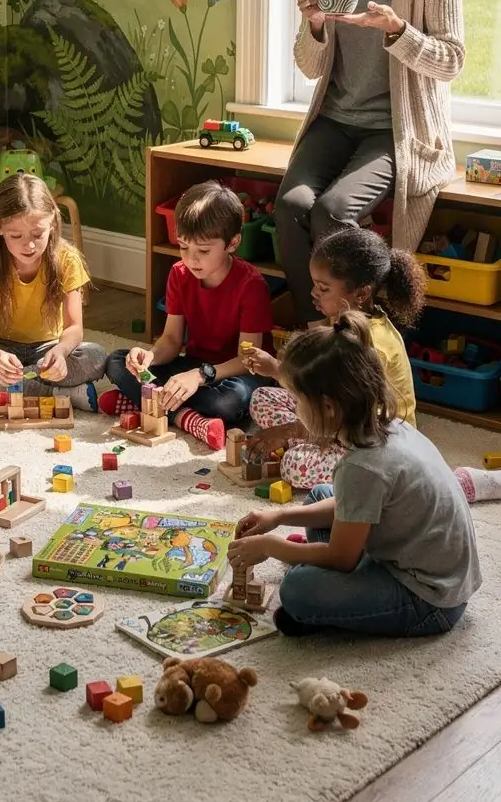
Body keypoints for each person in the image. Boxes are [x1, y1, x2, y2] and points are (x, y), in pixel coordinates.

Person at [275, 0, 464, 329]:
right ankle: (309, 330)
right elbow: (310, 67)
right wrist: (315, 23)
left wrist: (398, 32)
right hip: (335, 120)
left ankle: (359, 332)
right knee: (293, 205)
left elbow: (452, 60)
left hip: (395, 130)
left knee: (334, 213)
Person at [228, 313, 481, 638]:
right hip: (431, 566)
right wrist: (280, 514)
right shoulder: (386, 426)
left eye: (296, 401)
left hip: (430, 598)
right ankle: (338, 574)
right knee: (321, 493)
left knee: (296, 591)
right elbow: (352, 504)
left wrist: (272, 546)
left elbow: (340, 558)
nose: (294, 409)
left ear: (329, 408)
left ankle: (333, 599)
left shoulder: (362, 466)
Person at [242, 226, 424, 486]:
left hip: (375, 441)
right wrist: (275, 369)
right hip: (337, 416)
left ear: (361, 293)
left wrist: (290, 431)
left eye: (324, 288)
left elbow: (348, 415)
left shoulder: (369, 344)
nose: (314, 294)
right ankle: (306, 438)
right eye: (314, 285)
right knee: (263, 397)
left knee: (294, 465)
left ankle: (306, 444)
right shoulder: (342, 319)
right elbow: (322, 383)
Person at [102, 181, 273, 450]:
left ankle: (144, 401)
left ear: (233, 243)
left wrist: (199, 376)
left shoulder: (250, 285)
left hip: (236, 373)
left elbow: (247, 360)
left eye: (203, 251)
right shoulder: (179, 274)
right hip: (194, 364)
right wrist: (150, 356)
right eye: (184, 247)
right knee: (117, 360)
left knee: (229, 401)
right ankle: (187, 418)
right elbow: (171, 339)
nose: (192, 259)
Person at [0, 173, 105, 409]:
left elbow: (74, 327)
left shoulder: (67, 260)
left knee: (96, 357)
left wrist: (61, 351)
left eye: (38, 234)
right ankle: (57, 392)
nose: (28, 245)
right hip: (1, 349)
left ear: (53, 222)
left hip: (47, 350)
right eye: (16, 236)